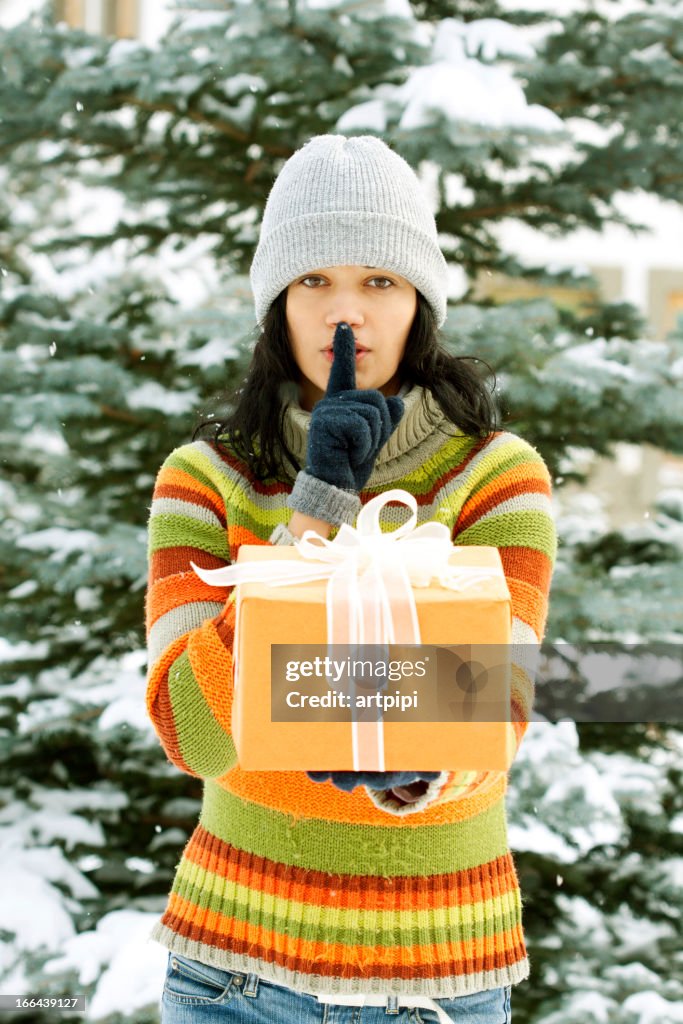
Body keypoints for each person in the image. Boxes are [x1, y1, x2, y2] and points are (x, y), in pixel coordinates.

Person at [145, 134, 557, 1023]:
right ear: (274, 305)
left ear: (419, 303)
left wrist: (416, 759)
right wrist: (313, 512)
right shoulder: (204, 479)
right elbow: (191, 730)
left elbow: (497, 712)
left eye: (379, 282)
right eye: (312, 282)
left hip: (437, 975)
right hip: (232, 975)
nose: (346, 317)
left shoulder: (497, 477)